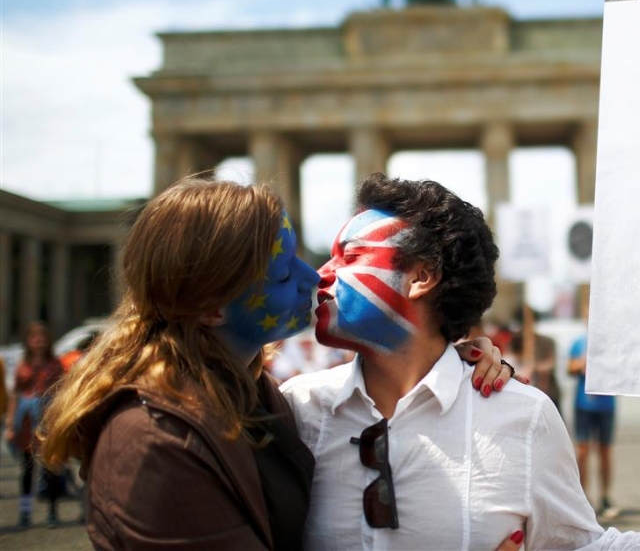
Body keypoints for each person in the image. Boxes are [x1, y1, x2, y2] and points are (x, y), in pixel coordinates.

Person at [282, 172, 640, 551]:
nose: (320, 275)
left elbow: (586, 547)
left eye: (349, 257)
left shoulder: (521, 417)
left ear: (421, 276)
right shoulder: (294, 411)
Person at [38, 177, 518, 551]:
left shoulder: (260, 399)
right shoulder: (153, 440)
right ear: (212, 307)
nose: (317, 275)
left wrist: (441, 361)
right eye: (286, 269)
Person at [5, 321, 66, 529]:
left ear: (47, 340)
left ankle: (52, 511)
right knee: (27, 469)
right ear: (29, 341)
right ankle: (25, 511)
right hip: (26, 423)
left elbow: (62, 392)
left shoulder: (55, 364)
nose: (38, 341)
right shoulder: (23, 365)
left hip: (47, 421)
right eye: (34, 337)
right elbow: (15, 395)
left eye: (42, 337)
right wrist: (10, 425)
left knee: (51, 467)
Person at [569, 328, 619, 517]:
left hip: (607, 404)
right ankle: (583, 496)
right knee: (583, 451)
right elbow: (570, 368)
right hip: (583, 404)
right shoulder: (580, 341)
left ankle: (605, 496)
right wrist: (582, 364)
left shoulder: (612, 343)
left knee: (605, 451)